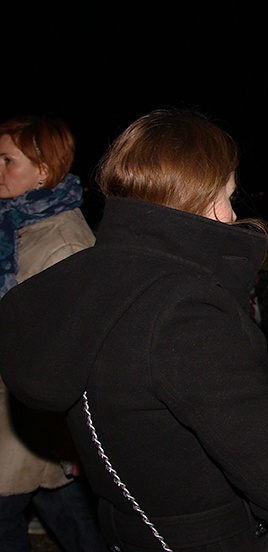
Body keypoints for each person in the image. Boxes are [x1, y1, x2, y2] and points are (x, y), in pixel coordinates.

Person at [0, 109, 268, 551]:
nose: (234, 211)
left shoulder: (90, 283)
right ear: (208, 198)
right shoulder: (185, 312)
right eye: (230, 194)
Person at [0, 115, 104, 551]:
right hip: (19, 418)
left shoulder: (64, 242)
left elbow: (77, 348)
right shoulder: (13, 224)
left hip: (30, 416)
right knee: (66, 513)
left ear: (43, 171)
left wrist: (73, 436)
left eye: (7, 160)